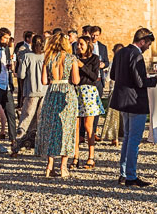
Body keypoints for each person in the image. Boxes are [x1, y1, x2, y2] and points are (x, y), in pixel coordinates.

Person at [109, 29, 157, 186]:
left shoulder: (120, 52)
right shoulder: (136, 55)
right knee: (134, 140)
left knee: (127, 138)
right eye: (149, 44)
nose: (149, 47)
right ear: (142, 41)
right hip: (135, 102)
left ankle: (124, 173)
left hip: (123, 100)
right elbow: (140, 82)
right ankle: (131, 176)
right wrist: (154, 80)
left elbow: (112, 76)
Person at [35, 32, 80, 177]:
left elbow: (43, 81)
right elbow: (76, 80)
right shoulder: (71, 58)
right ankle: (63, 167)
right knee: (66, 129)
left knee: (50, 127)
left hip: (52, 91)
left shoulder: (48, 58)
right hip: (66, 92)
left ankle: (49, 166)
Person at [74, 37, 104, 169]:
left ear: (87, 45)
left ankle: (91, 157)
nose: (79, 47)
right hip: (76, 92)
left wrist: (82, 66)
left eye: (81, 44)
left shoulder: (95, 59)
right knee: (75, 127)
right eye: (78, 45)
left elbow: (94, 76)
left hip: (89, 92)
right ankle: (75, 156)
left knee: (88, 127)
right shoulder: (74, 58)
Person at [15, 34, 47, 150]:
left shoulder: (26, 56)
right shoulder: (46, 57)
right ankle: (40, 144)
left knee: (26, 117)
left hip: (31, 91)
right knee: (41, 117)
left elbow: (21, 75)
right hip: (44, 91)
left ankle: (19, 140)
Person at [98, 42, 125, 146]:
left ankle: (114, 137)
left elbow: (109, 78)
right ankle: (123, 133)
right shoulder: (127, 62)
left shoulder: (114, 62)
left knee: (113, 116)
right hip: (124, 91)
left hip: (114, 90)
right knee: (122, 115)